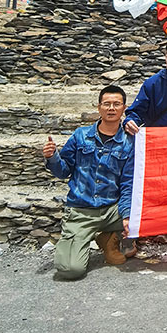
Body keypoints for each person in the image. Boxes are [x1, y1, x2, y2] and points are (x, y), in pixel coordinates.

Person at [42, 85, 134, 280]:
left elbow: (128, 182)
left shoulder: (129, 142)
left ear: (124, 108)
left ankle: (110, 239)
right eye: (106, 104)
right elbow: (63, 171)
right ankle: (86, 236)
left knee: (145, 212)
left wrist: (127, 216)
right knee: (70, 270)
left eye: (116, 104)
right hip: (81, 210)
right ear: (99, 107)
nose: (111, 108)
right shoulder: (80, 136)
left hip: (112, 210)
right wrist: (52, 157)